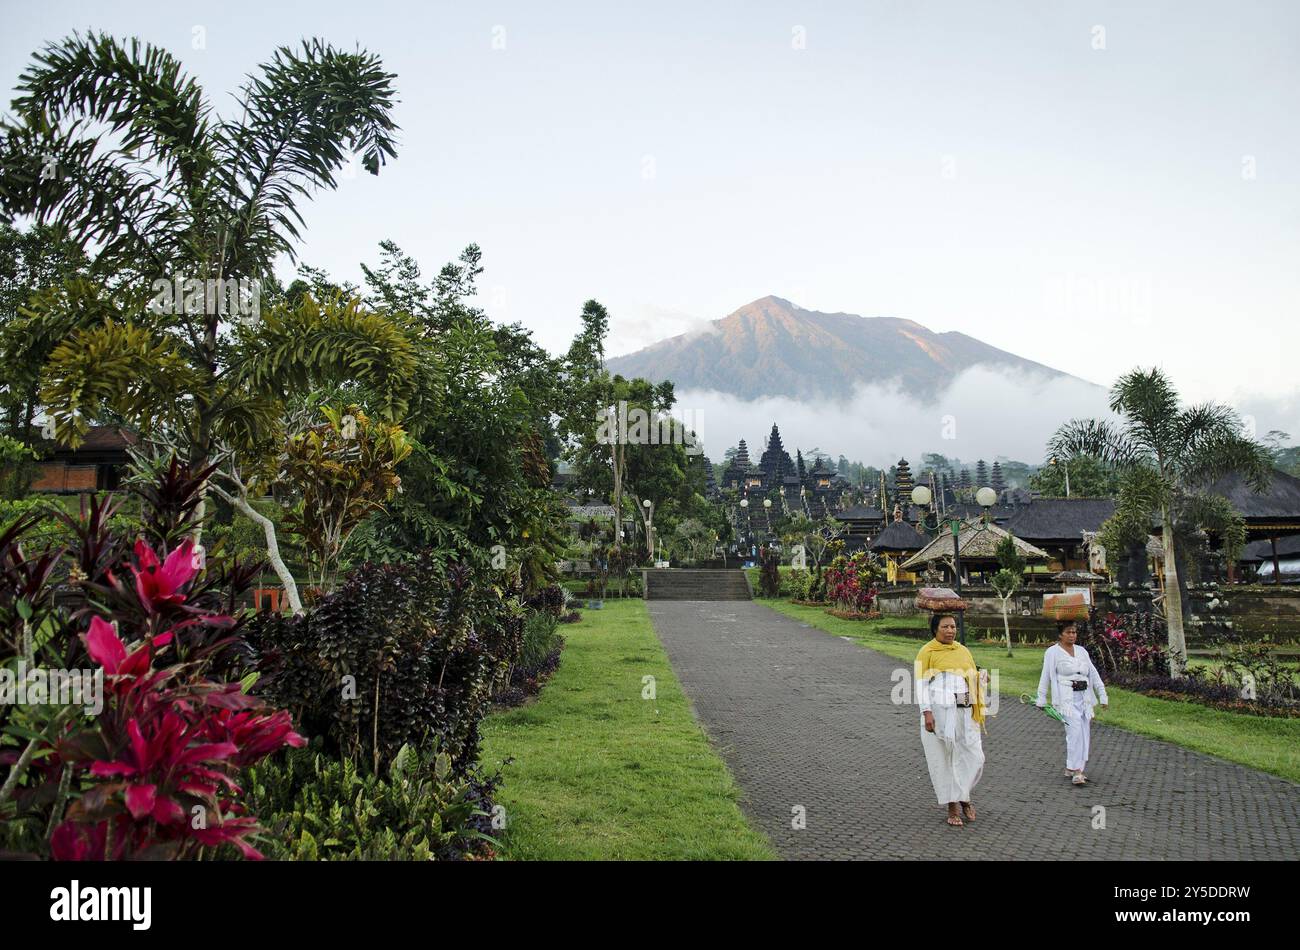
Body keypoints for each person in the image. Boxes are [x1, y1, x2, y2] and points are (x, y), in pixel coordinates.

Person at [915, 612, 986, 827]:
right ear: (935, 629)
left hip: (965, 712)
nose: (950, 631)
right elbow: (921, 684)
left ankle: (964, 795)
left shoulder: (963, 650)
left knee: (976, 757)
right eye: (945, 627)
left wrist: (981, 677)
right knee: (947, 758)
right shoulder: (927, 652)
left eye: (953, 627)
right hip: (941, 713)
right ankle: (954, 806)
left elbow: (971, 675)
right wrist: (926, 711)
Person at [1036, 619, 1108, 785]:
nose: (1072, 635)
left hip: (1084, 698)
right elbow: (1046, 675)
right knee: (1074, 731)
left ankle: (1072, 766)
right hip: (1066, 699)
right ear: (1061, 634)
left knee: (1084, 732)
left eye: (1074, 632)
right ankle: (1077, 771)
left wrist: (1102, 695)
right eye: (1068, 632)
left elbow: (1093, 673)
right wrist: (1041, 698)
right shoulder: (1052, 653)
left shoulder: (1082, 651)